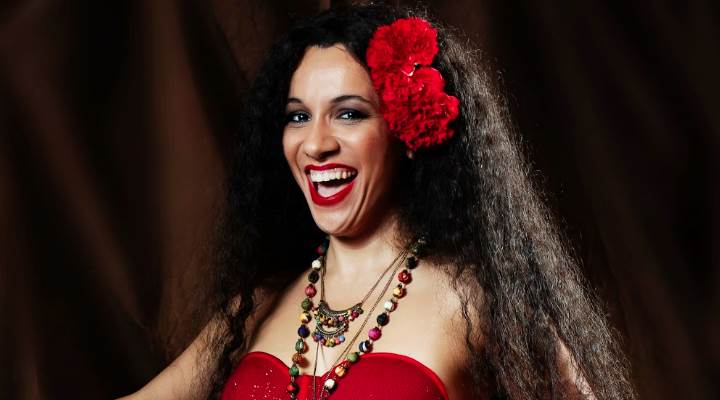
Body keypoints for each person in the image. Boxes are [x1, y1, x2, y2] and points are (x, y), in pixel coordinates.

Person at [121, 4, 635, 400]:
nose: (315, 143)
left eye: (348, 114)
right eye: (298, 116)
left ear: (405, 129)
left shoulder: (476, 302)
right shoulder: (256, 305)